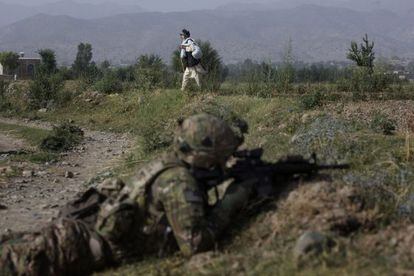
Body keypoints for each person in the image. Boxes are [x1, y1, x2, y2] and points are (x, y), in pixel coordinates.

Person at [0, 114, 257, 276]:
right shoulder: (178, 181)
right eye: (222, 154)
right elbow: (194, 244)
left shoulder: (169, 164)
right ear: (205, 155)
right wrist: (231, 201)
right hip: (75, 247)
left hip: (79, 231)